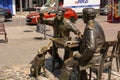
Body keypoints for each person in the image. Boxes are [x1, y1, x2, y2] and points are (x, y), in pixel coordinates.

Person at [59, 8, 106, 80]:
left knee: (67, 63)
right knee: (76, 61)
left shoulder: (90, 28)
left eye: (83, 15)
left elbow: (91, 48)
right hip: (99, 55)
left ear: (87, 16)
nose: (82, 17)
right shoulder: (96, 24)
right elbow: (94, 40)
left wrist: (81, 57)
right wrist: (82, 40)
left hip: (93, 57)